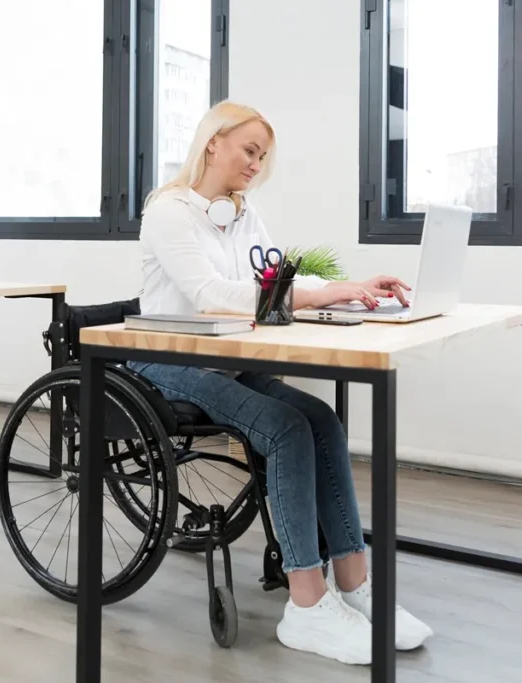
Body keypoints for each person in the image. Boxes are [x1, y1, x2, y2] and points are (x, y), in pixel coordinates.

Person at [131, 101, 432, 665]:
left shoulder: (243, 214)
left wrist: (349, 286)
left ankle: (355, 583)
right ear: (213, 143)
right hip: (166, 361)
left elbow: (275, 279)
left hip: (225, 358)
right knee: (286, 428)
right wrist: (320, 296)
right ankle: (307, 606)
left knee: (321, 419)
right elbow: (213, 295)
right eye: (249, 150)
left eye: (262, 156)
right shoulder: (167, 212)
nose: (255, 163)